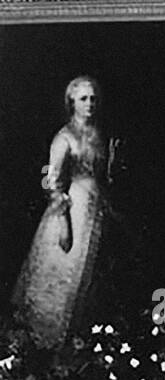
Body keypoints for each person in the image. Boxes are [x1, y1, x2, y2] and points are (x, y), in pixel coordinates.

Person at [11, 76, 117, 347]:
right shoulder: (64, 137)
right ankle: (50, 346)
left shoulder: (98, 134)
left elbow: (103, 175)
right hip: (73, 212)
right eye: (83, 99)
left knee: (93, 280)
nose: (90, 104)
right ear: (72, 102)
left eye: (93, 98)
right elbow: (52, 181)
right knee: (63, 279)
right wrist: (64, 223)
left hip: (97, 210)